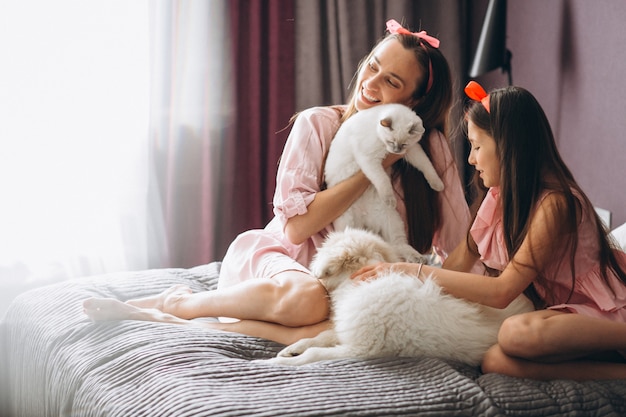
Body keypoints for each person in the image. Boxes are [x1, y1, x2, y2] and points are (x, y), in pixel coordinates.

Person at [83, 19, 474, 345]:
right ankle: (182, 305)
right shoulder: (317, 124)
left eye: (391, 81)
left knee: (356, 329)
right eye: (372, 66)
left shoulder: (431, 149)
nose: (371, 84)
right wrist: (378, 165)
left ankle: (176, 320)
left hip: (352, 281)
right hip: (287, 261)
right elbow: (298, 225)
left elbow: (459, 244)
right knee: (308, 303)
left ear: (414, 102)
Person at [353, 81, 626, 381]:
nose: (471, 159)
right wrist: (412, 297)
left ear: (510, 146)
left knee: (514, 333)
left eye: (478, 146)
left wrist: (409, 270)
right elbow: (459, 262)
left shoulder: (557, 204)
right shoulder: (499, 196)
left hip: (603, 314)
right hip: (565, 316)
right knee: (496, 362)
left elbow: (501, 292)